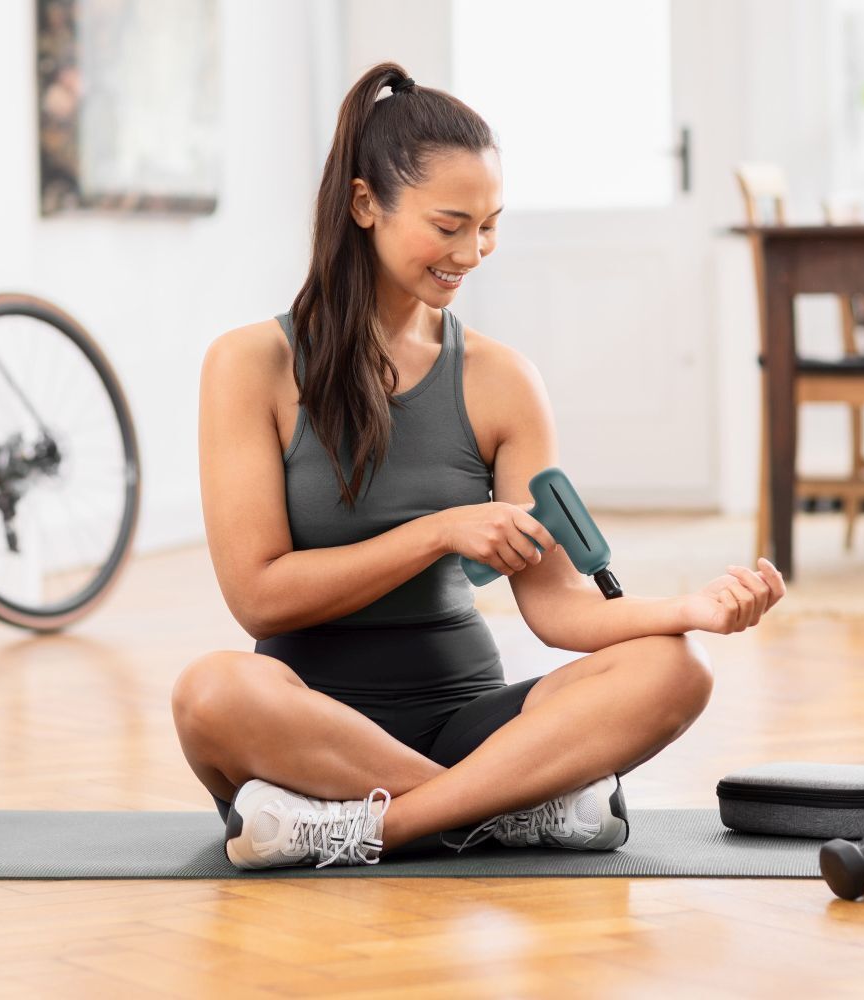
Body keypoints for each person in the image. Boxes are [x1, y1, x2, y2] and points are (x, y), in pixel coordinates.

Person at [171, 62, 787, 871]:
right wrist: (436, 533)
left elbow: (560, 606)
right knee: (210, 694)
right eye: (450, 224)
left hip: (469, 722)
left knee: (676, 669)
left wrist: (690, 608)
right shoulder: (250, 364)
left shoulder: (501, 379)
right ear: (365, 205)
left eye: (490, 224)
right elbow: (259, 598)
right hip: (305, 726)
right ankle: (507, 809)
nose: (473, 252)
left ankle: (369, 830)